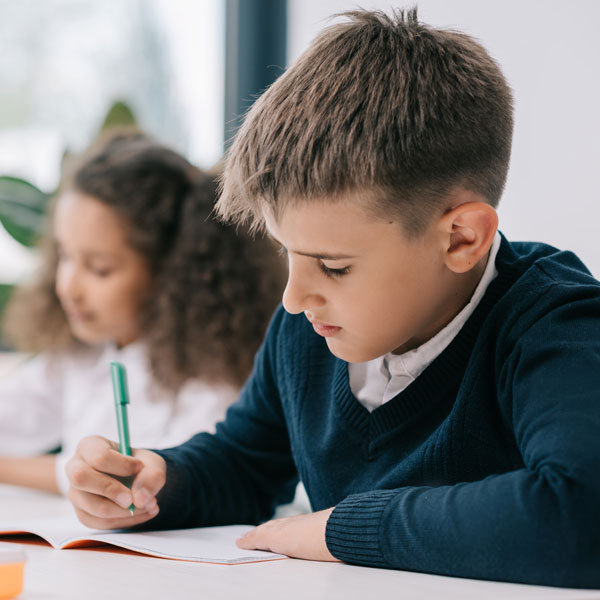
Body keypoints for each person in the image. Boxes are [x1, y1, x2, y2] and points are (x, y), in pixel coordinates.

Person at [64, 9, 600, 589]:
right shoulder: (311, 325)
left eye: (334, 266)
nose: (294, 298)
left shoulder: (556, 323)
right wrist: (156, 481)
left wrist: (342, 529)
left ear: (461, 238)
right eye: (286, 253)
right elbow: (246, 463)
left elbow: (579, 512)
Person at [0, 129, 285, 495]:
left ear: (171, 273)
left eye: (99, 268)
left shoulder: (214, 377)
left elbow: (138, 477)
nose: (67, 286)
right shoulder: (84, 352)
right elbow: (15, 414)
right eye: (65, 256)